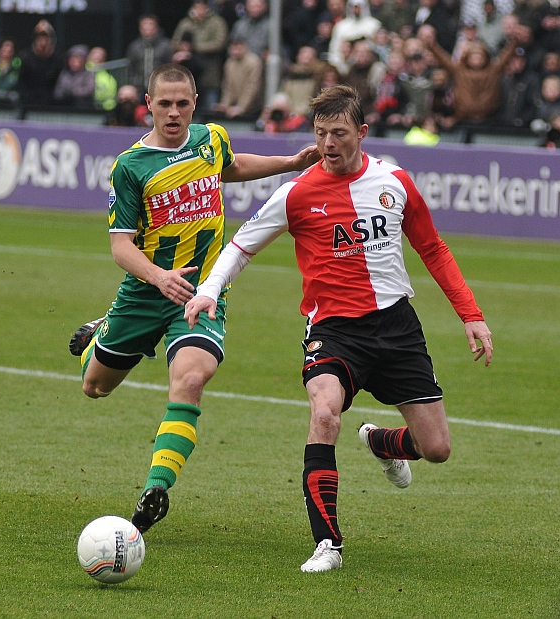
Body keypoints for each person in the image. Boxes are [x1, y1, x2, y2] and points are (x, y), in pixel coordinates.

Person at [184, 84, 493, 573]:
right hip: (333, 329)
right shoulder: (297, 193)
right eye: (321, 133)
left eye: (340, 133)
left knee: (436, 449)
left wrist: (470, 314)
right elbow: (242, 245)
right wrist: (209, 289)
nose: (329, 143)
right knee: (325, 414)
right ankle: (327, 543)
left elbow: (433, 249)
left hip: (396, 327)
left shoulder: (396, 182)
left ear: (362, 133)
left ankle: (381, 443)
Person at [67, 63, 319, 535]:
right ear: (148, 105)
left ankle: (156, 488)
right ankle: (102, 330)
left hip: (201, 294)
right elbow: (121, 246)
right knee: (95, 387)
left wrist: (289, 164)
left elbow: (232, 166)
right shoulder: (130, 166)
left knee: (191, 379)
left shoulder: (211, 139)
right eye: (164, 103)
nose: (174, 112)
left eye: (183, 103)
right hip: (145, 291)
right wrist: (160, 277)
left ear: (194, 103)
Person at [171, 0, 229, 112]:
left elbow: (220, 43)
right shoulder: (185, 23)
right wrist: (183, 49)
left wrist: (195, 48)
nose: (199, 10)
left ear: (207, 8)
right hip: (188, 76)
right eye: (197, 7)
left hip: (209, 74)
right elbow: (175, 42)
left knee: (209, 110)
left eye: (202, 7)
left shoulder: (217, 22)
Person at [213, 37, 264, 119]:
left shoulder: (254, 62)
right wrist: (225, 105)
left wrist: (241, 107)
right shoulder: (229, 63)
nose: (236, 51)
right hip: (235, 106)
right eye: (234, 48)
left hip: (254, 107)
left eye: (239, 48)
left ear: (245, 47)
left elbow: (252, 87)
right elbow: (228, 86)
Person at [125, 14, 173, 100]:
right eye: (144, 24)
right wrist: (132, 84)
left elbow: (170, 67)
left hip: (161, 87)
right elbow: (131, 68)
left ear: (156, 27)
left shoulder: (166, 46)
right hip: (139, 88)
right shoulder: (134, 46)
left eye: (150, 24)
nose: (147, 27)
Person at [17, 22, 63, 106]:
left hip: (52, 103)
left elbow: (59, 83)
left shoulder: (58, 58)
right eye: (40, 38)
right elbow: (22, 82)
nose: (43, 42)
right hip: (29, 103)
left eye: (46, 38)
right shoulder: (26, 57)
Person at [53, 44, 95, 110]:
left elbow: (88, 91)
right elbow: (57, 93)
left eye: (77, 58)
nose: (74, 62)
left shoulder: (88, 74)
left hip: (83, 109)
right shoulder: (64, 74)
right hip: (65, 108)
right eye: (72, 59)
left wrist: (70, 92)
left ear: (84, 61)